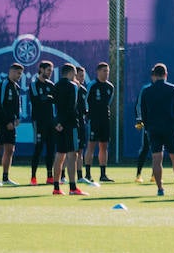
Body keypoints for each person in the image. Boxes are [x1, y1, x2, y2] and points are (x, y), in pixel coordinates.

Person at [139, 63, 174, 197]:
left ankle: (160, 189)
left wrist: (147, 127)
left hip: (153, 129)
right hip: (170, 128)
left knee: (156, 159)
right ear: (165, 74)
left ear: (154, 75)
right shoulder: (173, 89)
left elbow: (143, 111)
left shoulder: (147, 91)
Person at [51, 63, 86, 196]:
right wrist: (64, 122)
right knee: (72, 155)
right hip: (70, 125)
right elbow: (72, 107)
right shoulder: (73, 86)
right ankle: (72, 187)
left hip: (58, 126)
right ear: (71, 73)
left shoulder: (55, 86)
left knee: (59, 155)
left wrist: (57, 122)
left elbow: (53, 106)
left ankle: (56, 188)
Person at [0, 62, 22, 186]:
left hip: (12, 124)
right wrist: (7, 121)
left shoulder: (17, 87)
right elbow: (0, 104)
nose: (19, 76)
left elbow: (18, 105)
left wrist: (18, 118)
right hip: (0, 122)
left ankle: (5, 178)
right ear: (11, 71)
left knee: (10, 149)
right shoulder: (3, 85)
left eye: (21, 74)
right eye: (18, 73)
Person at [84, 61, 115, 184]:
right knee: (91, 145)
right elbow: (86, 100)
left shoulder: (110, 87)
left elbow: (108, 102)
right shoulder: (92, 85)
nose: (106, 73)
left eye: (107, 71)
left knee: (104, 146)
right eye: (104, 71)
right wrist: (87, 115)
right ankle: (87, 174)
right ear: (98, 72)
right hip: (94, 119)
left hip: (105, 120)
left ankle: (103, 174)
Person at [28, 60, 57, 185]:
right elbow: (36, 100)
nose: (50, 73)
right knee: (38, 148)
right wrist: (48, 98)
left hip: (51, 121)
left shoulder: (51, 85)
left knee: (51, 149)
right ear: (41, 69)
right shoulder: (34, 84)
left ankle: (50, 176)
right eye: (48, 70)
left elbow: (56, 99)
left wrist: (49, 98)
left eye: (51, 71)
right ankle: (33, 177)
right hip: (39, 121)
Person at [131, 69, 153, 183]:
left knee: (158, 149)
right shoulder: (146, 89)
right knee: (145, 148)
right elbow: (139, 105)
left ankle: (155, 175)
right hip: (148, 124)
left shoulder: (164, 88)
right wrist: (139, 120)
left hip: (160, 124)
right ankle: (138, 174)